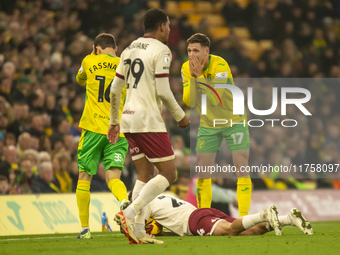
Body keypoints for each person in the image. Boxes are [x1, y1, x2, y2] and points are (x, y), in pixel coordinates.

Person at [107, 8, 190, 244]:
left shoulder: (129, 48)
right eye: (169, 26)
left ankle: (139, 231)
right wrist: (180, 115)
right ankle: (129, 214)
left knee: (144, 174)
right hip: (148, 120)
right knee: (169, 173)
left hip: (128, 118)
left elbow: (114, 89)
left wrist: (114, 121)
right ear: (162, 26)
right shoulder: (162, 50)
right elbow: (163, 90)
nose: (170, 31)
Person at [182, 33, 252, 216]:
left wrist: (198, 75)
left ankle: (243, 219)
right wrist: (194, 77)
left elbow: (216, 99)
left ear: (207, 52)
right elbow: (189, 101)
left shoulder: (220, 65)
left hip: (233, 119)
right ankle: (204, 217)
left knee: (241, 165)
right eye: (189, 51)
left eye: (196, 51)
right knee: (203, 171)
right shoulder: (185, 68)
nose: (191, 55)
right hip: (209, 123)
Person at [76, 33, 130, 239]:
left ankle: (84, 229)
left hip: (92, 128)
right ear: (115, 49)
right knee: (113, 175)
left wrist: (92, 55)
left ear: (96, 48)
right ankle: (123, 199)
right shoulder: (124, 64)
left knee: (84, 176)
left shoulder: (89, 60)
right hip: (118, 128)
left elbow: (79, 80)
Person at [129, 194, 313, 243]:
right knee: (251, 232)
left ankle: (263, 214)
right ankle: (288, 218)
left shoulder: (144, 204)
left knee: (228, 231)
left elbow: (139, 228)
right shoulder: (161, 196)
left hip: (193, 221)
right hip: (204, 212)